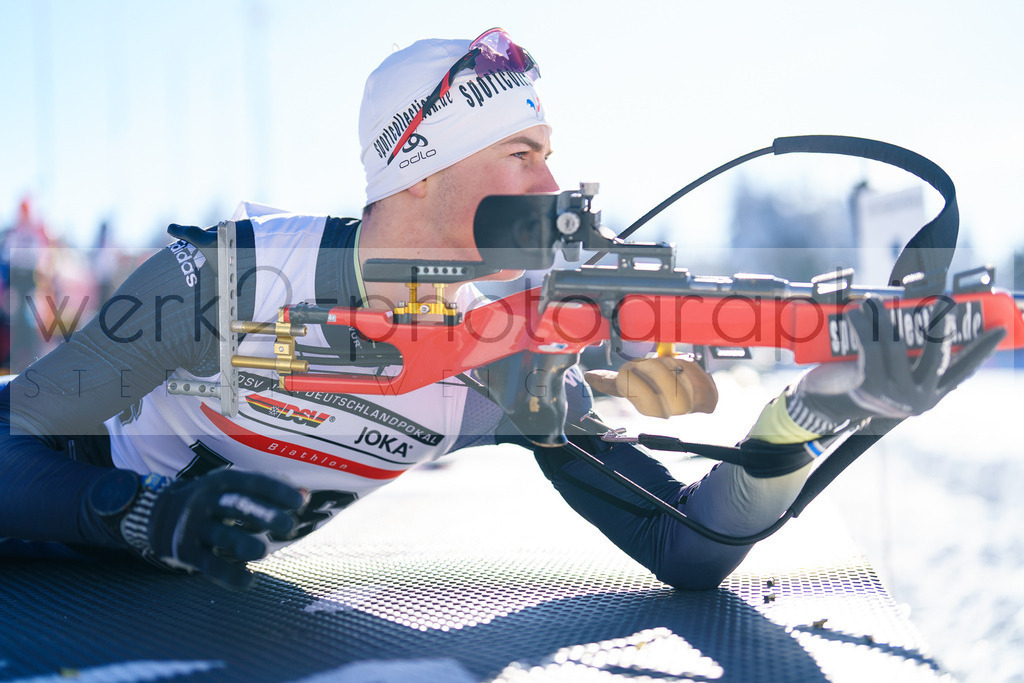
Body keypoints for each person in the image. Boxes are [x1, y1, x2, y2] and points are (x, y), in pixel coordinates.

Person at [0, 29, 1001, 591]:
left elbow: (686, 547)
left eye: (549, 153)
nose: (552, 182)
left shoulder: (504, 351)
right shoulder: (225, 275)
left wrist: (815, 411)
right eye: (523, 153)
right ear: (419, 163)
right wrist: (145, 513)